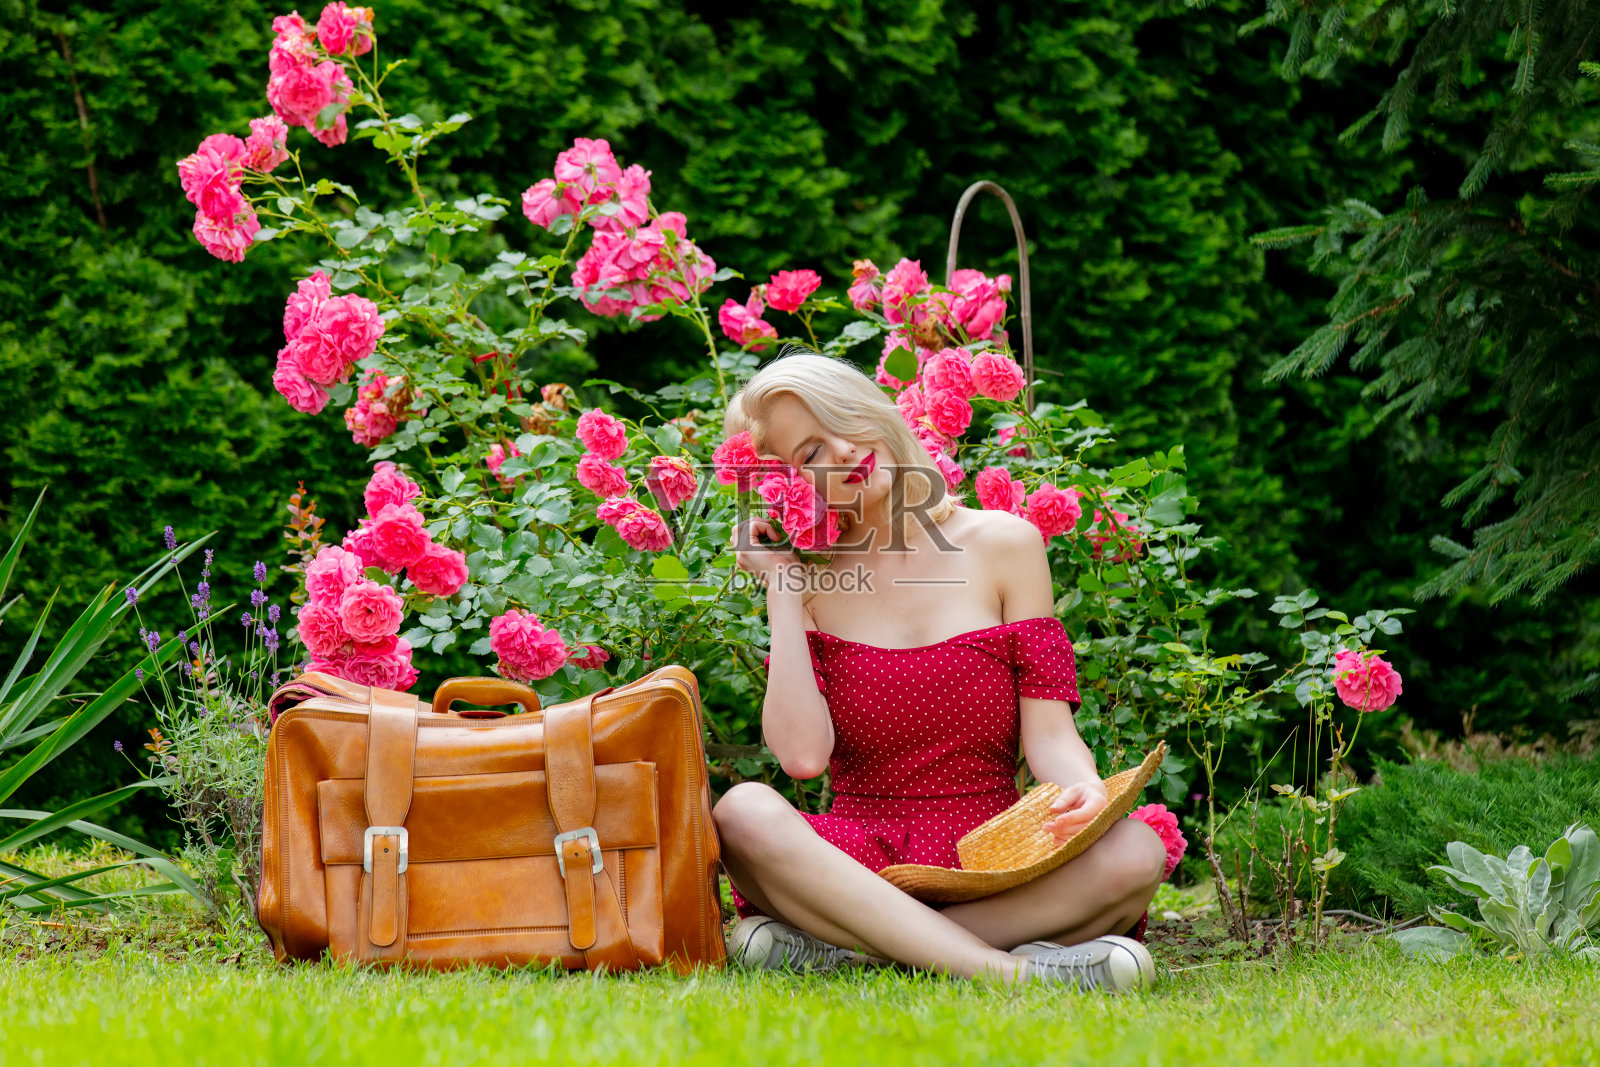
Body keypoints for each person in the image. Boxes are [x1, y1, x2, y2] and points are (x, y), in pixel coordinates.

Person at [715, 349, 1168, 991]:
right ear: (786, 488)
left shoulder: (1005, 545)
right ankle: (1009, 971)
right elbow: (802, 759)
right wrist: (783, 590)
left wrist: (1086, 789)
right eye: (812, 453)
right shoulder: (810, 588)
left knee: (1137, 850)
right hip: (858, 863)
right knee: (743, 813)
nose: (844, 449)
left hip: (993, 856)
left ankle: (861, 951)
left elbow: (1050, 736)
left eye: (845, 419)